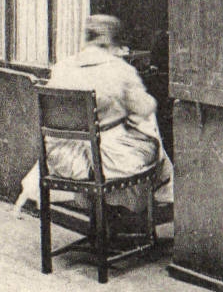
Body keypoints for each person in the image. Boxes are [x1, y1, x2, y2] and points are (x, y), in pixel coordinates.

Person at [14, 14, 173, 224]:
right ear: (111, 42)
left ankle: (105, 210)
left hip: (62, 160)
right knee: (148, 132)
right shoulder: (120, 69)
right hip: (107, 162)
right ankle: (147, 203)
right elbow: (145, 108)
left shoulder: (61, 67)